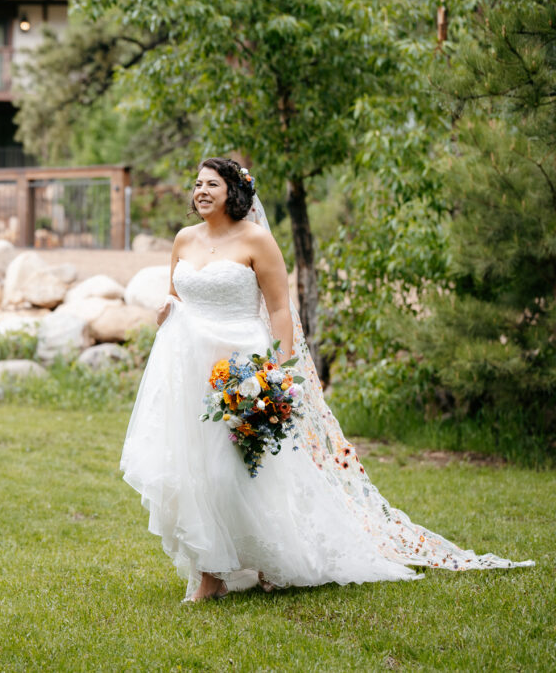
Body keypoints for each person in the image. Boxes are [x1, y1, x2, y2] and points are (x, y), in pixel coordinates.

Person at [121, 157, 533, 602]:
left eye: (212, 184)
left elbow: (280, 309)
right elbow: (177, 295)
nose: (200, 191)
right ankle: (211, 573)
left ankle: (266, 559)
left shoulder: (257, 240)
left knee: (240, 469)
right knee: (194, 466)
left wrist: (273, 372)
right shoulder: (184, 239)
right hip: (188, 368)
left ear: (234, 192)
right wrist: (166, 306)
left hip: (243, 364)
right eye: (197, 184)